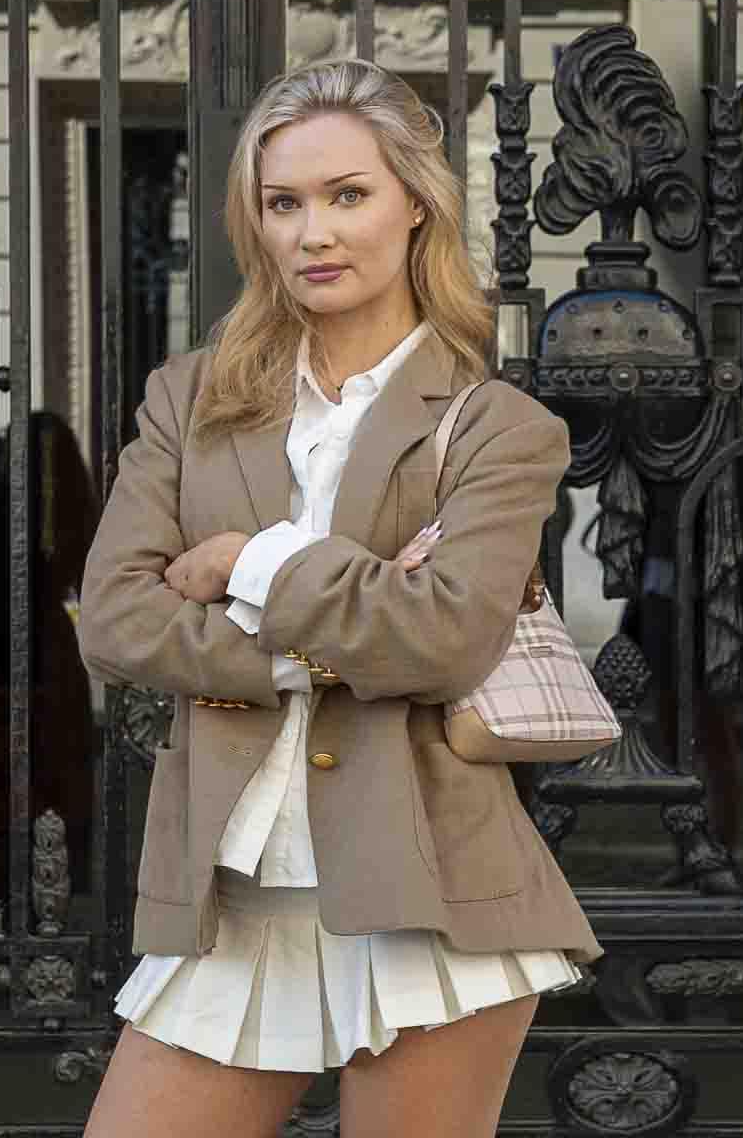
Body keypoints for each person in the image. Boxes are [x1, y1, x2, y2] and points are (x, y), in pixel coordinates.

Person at [78, 59, 601, 1138]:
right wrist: (318, 648)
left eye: (347, 194)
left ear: (415, 202)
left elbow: (447, 638)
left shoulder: (498, 425)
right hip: (232, 891)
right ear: (255, 222)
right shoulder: (190, 399)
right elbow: (120, 616)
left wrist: (249, 563)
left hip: (433, 887)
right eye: (284, 202)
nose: (313, 230)